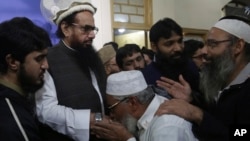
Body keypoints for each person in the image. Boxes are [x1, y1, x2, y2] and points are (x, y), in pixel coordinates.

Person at [156, 15, 250, 141]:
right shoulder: (223, 79)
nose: (203, 51)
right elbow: (218, 118)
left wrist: (198, 115)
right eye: (206, 44)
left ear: (238, 46)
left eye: (213, 44)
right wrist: (191, 100)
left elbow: (242, 134)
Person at [36, 0, 107, 141]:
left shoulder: (91, 56)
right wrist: (91, 120)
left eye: (93, 29)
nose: (92, 35)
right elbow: (46, 110)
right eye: (86, 29)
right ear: (66, 29)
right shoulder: (48, 60)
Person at [92, 70, 198, 141]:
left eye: (112, 108)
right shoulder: (148, 111)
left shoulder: (166, 126)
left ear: (132, 103)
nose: (112, 115)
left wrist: (126, 139)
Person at [0, 17, 51, 141]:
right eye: (39, 59)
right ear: (12, 62)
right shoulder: (12, 117)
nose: (46, 65)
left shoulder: (17, 98)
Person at [141, 17, 200, 93]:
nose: (178, 48)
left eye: (180, 41)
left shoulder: (191, 66)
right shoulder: (145, 76)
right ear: (154, 47)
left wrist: (191, 98)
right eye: (169, 44)